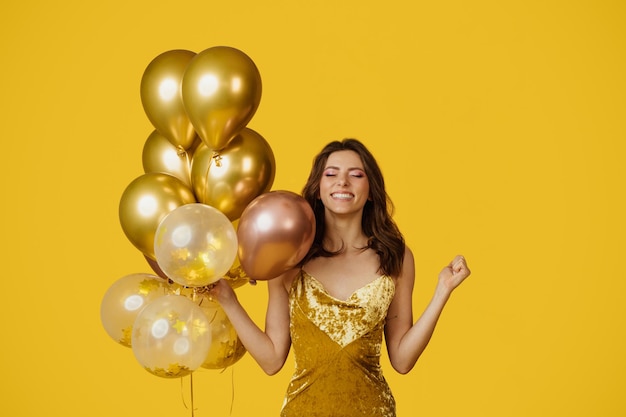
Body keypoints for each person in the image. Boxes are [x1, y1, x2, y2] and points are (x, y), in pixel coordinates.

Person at [209, 138, 471, 416]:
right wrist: (228, 299)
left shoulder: (397, 257)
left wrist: (442, 291)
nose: (342, 182)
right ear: (318, 189)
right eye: (331, 174)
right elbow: (272, 359)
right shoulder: (289, 259)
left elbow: (403, 361)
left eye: (356, 175)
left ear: (370, 191)